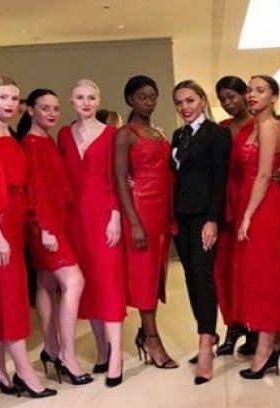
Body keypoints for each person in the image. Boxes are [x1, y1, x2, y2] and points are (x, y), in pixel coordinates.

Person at [0, 75, 56, 399]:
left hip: (13, 221)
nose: (9, 104)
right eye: (3, 97)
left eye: (14, 98)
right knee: (9, 296)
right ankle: (23, 370)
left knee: (6, 294)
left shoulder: (5, 132)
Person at [15, 89, 90, 385]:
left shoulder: (45, 139)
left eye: (56, 108)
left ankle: (51, 348)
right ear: (31, 110)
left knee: (46, 283)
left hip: (54, 222)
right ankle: (67, 357)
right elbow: (35, 189)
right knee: (74, 281)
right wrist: (46, 229)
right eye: (44, 108)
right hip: (45, 225)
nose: (52, 113)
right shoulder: (32, 143)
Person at [58, 79, 126, 386]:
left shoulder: (111, 134)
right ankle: (101, 350)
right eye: (80, 97)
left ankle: (116, 356)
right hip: (74, 219)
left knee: (109, 282)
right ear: (71, 101)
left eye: (91, 97)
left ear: (99, 101)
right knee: (88, 285)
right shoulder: (63, 134)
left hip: (104, 215)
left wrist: (115, 215)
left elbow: (117, 177)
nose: (86, 102)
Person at [229, 75, 280, 380]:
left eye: (260, 90)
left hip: (264, 205)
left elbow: (265, 174)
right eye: (249, 90)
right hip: (253, 200)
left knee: (266, 276)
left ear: (274, 96)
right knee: (257, 273)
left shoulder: (269, 126)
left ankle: (265, 351)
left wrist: (248, 216)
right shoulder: (255, 126)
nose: (252, 95)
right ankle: (277, 340)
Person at [113, 75, 178, 370]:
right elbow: (120, 180)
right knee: (143, 277)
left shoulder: (157, 132)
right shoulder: (125, 134)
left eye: (153, 97)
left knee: (155, 276)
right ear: (130, 99)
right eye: (142, 97)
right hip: (140, 210)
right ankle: (152, 339)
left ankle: (145, 333)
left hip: (161, 211)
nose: (149, 102)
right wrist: (134, 222)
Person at [170, 80, 230, 384]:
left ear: (203, 100)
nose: (185, 107)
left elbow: (220, 180)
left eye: (190, 100)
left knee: (203, 276)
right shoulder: (178, 135)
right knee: (191, 277)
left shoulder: (217, 134)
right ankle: (208, 334)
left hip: (204, 217)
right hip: (181, 216)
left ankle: (205, 346)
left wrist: (212, 220)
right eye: (179, 103)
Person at [213, 75, 260, 357]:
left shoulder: (262, 124)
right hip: (224, 202)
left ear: (245, 94)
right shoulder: (221, 128)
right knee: (224, 269)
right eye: (222, 99)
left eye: (232, 96)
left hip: (251, 200)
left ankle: (254, 328)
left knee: (249, 269)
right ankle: (233, 325)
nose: (228, 103)